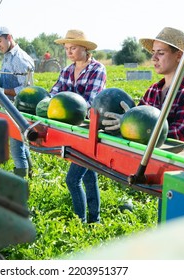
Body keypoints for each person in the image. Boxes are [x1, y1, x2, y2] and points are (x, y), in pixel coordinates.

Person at [102, 27, 184, 143]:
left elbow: (179, 133)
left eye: (160, 53)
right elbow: (137, 116)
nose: (153, 58)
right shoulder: (153, 89)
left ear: (179, 56)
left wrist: (132, 126)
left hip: (172, 158)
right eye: (153, 52)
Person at [50, 29, 107, 223]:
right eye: (67, 48)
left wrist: (65, 106)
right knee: (89, 175)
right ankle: (95, 219)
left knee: (72, 180)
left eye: (73, 48)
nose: (69, 52)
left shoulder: (97, 69)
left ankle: (80, 221)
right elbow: (54, 94)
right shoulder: (66, 70)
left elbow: (91, 101)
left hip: (89, 131)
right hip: (72, 131)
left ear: (85, 49)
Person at [0, 26, 35, 177]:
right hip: (9, 104)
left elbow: (27, 89)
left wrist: (1, 92)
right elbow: (7, 78)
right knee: (18, 141)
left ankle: (21, 182)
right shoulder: (7, 56)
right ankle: (30, 172)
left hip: (19, 107)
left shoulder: (20, 58)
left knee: (15, 147)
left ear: (9, 37)